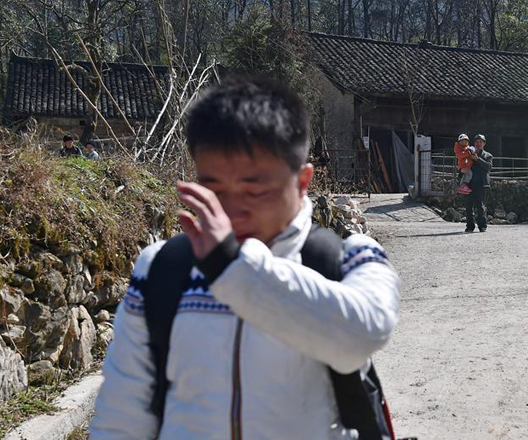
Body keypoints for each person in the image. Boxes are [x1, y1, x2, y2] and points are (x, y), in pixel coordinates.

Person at [90, 77, 401, 440]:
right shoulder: (160, 267)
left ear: (302, 181)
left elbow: (361, 337)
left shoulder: (352, 257)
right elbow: (121, 417)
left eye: (254, 191)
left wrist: (235, 270)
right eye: (214, 190)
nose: (232, 210)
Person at [465, 134, 493, 233]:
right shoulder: (468, 154)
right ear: (474, 143)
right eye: (477, 142)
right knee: (468, 206)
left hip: (481, 184)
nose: (478, 144)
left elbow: (488, 167)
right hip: (469, 183)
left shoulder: (488, 155)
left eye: (481, 142)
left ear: (484, 144)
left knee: (481, 206)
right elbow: (463, 164)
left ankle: (482, 226)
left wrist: (477, 159)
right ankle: (469, 226)